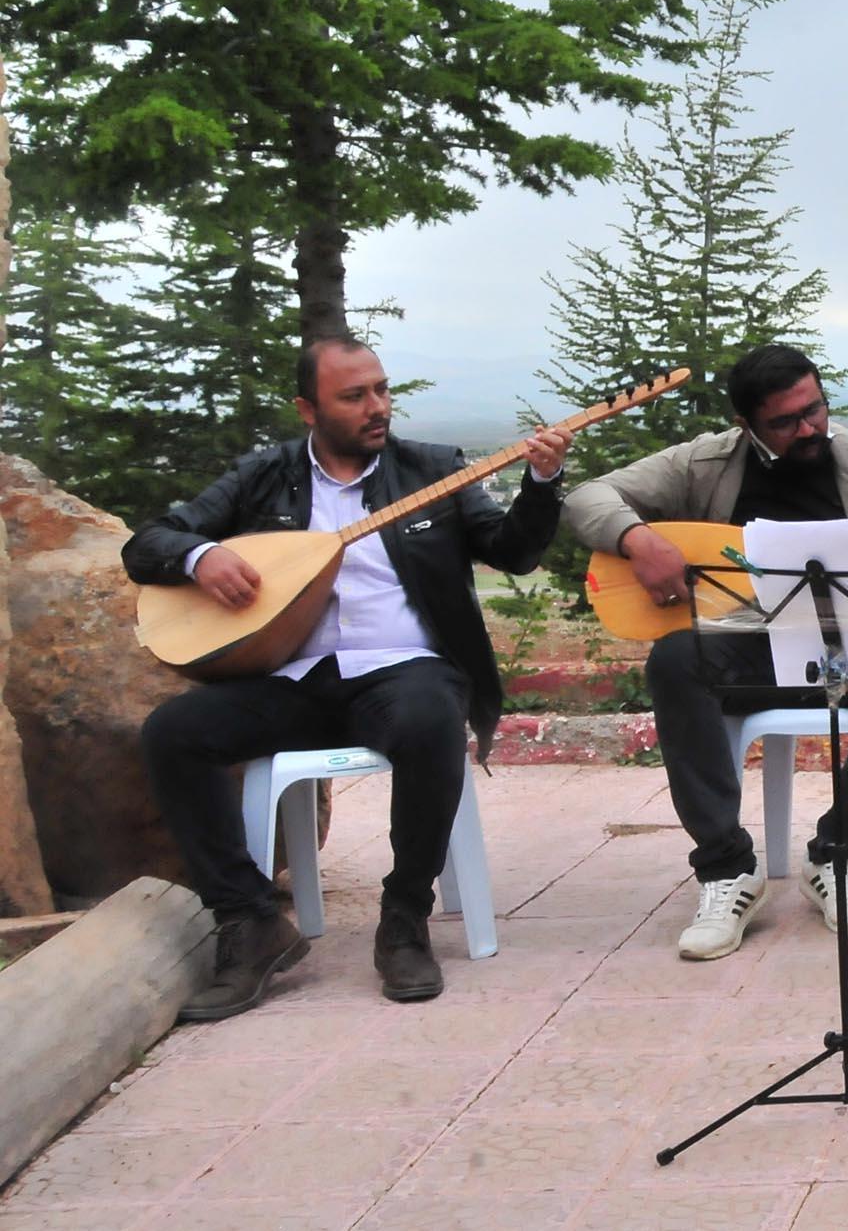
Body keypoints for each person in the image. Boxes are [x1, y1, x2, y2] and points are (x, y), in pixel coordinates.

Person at [122, 336, 569, 1018]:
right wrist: (199, 557)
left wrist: (541, 484)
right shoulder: (263, 475)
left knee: (428, 720)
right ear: (308, 408)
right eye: (354, 396)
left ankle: (404, 918)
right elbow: (147, 543)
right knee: (172, 733)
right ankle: (250, 921)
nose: (377, 407)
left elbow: (513, 553)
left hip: (405, 670)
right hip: (294, 678)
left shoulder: (430, 469)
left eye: (382, 391)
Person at [564, 344, 848, 959]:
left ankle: (836, 854)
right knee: (674, 661)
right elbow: (586, 497)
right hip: (750, 647)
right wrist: (637, 538)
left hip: (846, 645)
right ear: (748, 426)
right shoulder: (706, 462)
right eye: (786, 422)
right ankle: (727, 870)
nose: (808, 428)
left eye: (814, 409)